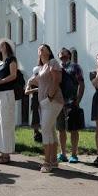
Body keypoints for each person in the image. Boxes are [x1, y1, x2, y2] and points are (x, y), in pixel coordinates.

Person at [29, 44, 64, 173]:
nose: (41, 49)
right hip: (44, 103)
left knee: (45, 129)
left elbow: (57, 80)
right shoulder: (42, 67)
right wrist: (30, 83)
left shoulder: (52, 62)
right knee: (50, 130)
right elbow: (41, 83)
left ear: (49, 52)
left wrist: (49, 96)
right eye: (39, 48)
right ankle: (54, 161)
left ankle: (47, 162)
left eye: (44, 47)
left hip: (53, 100)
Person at [56, 48, 85, 164]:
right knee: (60, 129)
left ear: (69, 55)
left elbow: (81, 84)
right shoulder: (57, 68)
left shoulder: (75, 67)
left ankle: (74, 154)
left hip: (72, 102)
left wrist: (78, 100)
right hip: (58, 103)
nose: (62, 56)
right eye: (60, 54)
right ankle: (62, 153)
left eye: (64, 54)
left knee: (73, 129)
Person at [26, 66, 42, 143]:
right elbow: (26, 92)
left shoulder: (44, 79)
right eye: (36, 74)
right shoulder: (31, 80)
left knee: (43, 117)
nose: (37, 75)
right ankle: (36, 134)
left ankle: (44, 135)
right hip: (34, 100)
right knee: (35, 117)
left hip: (43, 99)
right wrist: (35, 90)